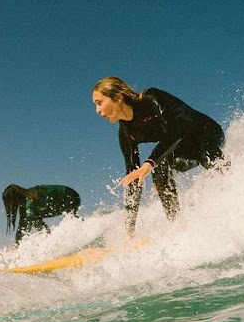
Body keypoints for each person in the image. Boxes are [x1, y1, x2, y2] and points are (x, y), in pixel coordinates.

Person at [92, 76, 227, 235]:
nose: (98, 110)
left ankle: (231, 190)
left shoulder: (150, 98)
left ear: (117, 97)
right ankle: (177, 226)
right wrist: (129, 232)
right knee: (160, 167)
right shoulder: (125, 134)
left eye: (99, 103)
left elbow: (173, 134)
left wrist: (148, 164)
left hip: (207, 134)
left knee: (200, 153)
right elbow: (133, 181)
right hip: (184, 148)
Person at [2, 184, 80, 242]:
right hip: (63, 201)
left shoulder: (30, 201)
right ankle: (49, 237)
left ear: (14, 199)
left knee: (31, 217)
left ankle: (49, 238)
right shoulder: (25, 203)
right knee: (28, 219)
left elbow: (30, 219)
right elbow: (22, 226)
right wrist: (16, 244)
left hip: (70, 196)